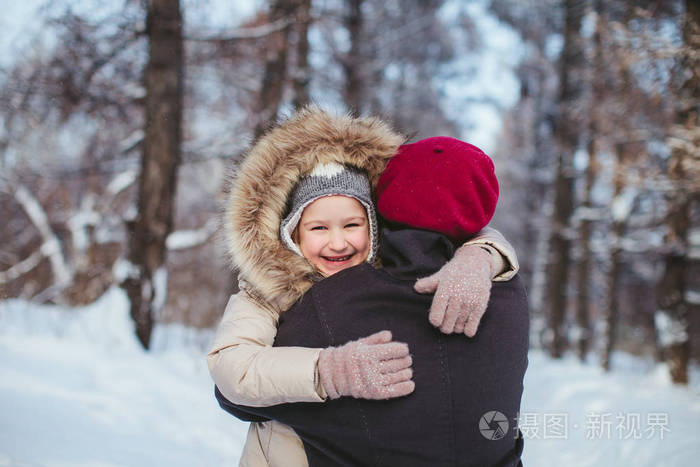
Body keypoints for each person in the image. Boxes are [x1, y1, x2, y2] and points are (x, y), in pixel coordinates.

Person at [207, 107, 519, 465]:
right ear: (292, 233)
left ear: (373, 224)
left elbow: (469, 229)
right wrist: (328, 370)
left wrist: (479, 257)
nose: (338, 243)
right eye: (319, 228)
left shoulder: (388, 268)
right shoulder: (264, 292)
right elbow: (233, 366)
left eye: (352, 225)